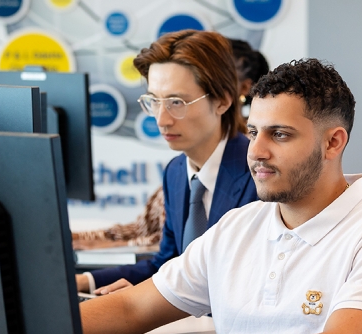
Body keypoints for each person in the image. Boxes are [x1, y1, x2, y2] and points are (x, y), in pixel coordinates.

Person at [80, 58, 362, 334]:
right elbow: (133, 308)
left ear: (333, 143)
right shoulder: (238, 226)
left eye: (279, 134)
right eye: (252, 132)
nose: (256, 151)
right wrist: (33, 328)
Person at [76, 30, 259, 294]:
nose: (161, 119)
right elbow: (167, 266)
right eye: (154, 101)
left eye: (177, 102)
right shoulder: (176, 172)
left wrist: (148, 302)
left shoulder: (258, 172)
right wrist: (86, 282)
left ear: (222, 101)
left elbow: (249, 283)